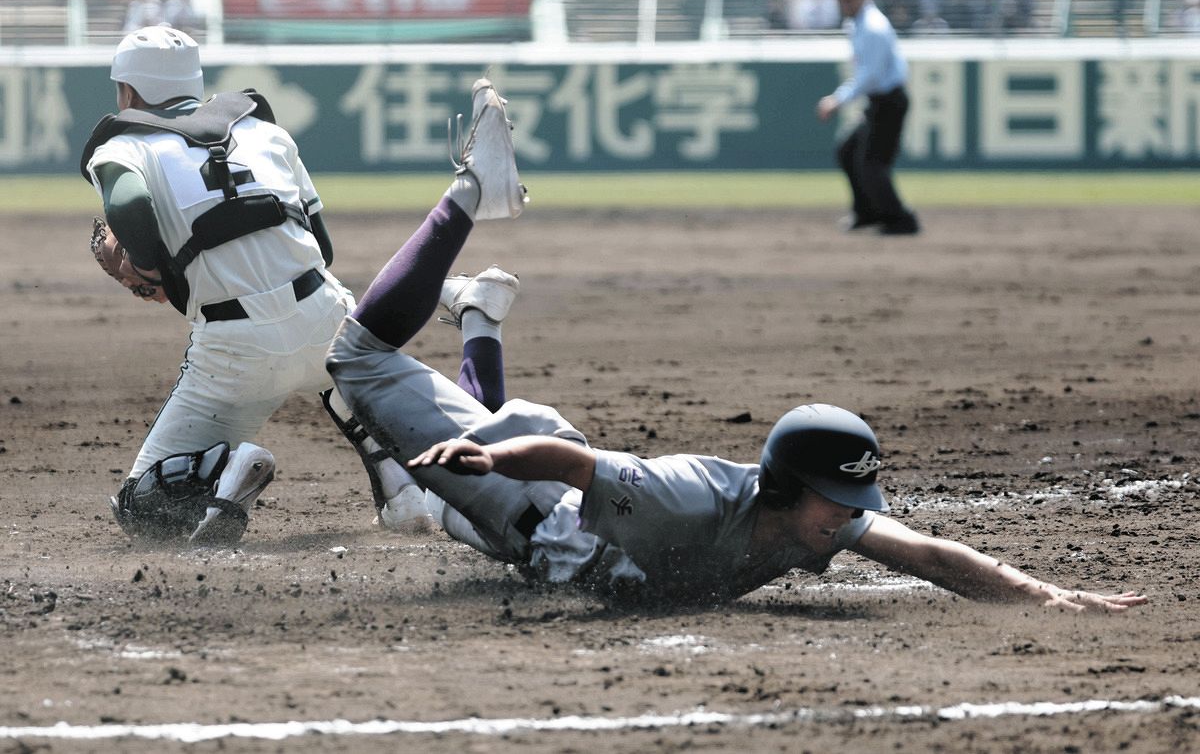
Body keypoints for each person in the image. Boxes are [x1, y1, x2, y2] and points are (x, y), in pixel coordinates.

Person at [326, 78, 1146, 613]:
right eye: (840, 500)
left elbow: (928, 555)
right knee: (356, 357)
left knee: (443, 511)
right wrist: (488, 464)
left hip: (541, 499)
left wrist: (1043, 595)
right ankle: (472, 198)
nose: (854, 517)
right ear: (790, 491)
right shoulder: (691, 497)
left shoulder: (814, 520)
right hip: (529, 503)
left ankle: (478, 323)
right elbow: (574, 468)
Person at [81, 25, 434, 545]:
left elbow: (128, 205)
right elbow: (324, 247)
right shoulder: (267, 133)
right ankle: (401, 490)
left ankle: (228, 467)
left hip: (235, 351)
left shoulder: (125, 147)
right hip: (327, 319)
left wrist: (155, 269)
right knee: (343, 381)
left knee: (146, 513)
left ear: (128, 92)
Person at [817, 0, 920, 236]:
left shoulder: (873, 27)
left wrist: (837, 99)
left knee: (872, 164)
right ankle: (867, 213)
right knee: (848, 150)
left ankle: (901, 219)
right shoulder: (857, 24)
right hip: (879, 101)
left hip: (889, 102)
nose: (845, 2)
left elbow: (870, 75)